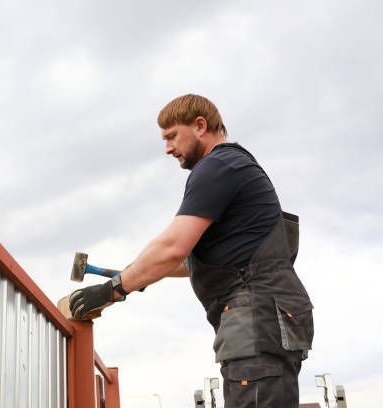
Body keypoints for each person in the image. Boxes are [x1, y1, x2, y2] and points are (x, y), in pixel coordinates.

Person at [69, 94, 314, 407]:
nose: (168, 149)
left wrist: (112, 289)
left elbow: (173, 247)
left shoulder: (218, 166)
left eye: (172, 136)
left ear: (200, 126)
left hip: (255, 320)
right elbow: (185, 261)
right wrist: (139, 273)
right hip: (267, 319)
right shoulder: (235, 167)